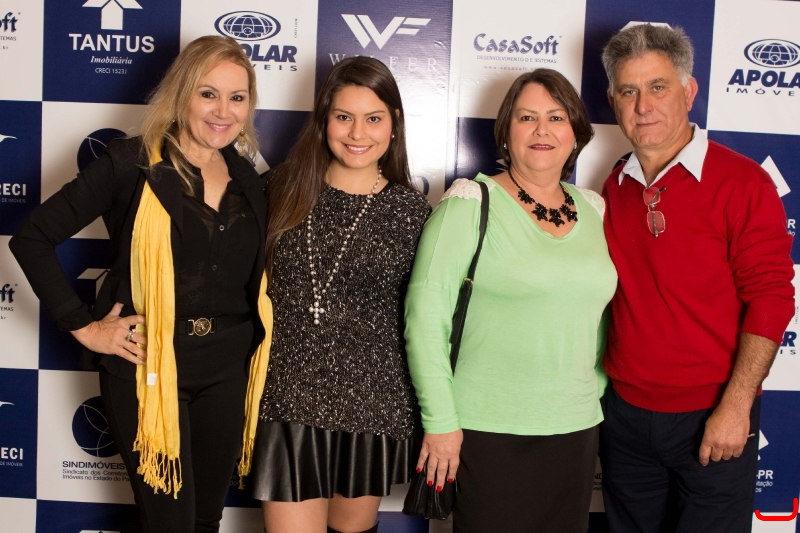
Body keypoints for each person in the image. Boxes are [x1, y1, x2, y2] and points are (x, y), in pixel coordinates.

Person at [9, 36, 271, 533]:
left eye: (237, 97)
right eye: (208, 94)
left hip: (227, 368)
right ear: (181, 94)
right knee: (169, 524)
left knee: (204, 522)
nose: (224, 111)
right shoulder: (130, 163)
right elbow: (32, 238)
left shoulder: (249, 178)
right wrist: (85, 327)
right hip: (148, 365)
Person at [598, 24, 794, 533]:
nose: (644, 106)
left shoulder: (744, 182)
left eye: (658, 87)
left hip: (713, 414)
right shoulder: (614, 184)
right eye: (628, 91)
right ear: (613, 102)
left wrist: (736, 406)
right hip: (623, 415)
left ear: (688, 92)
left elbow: (772, 297)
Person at [404, 68, 617, 533]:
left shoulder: (594, 209)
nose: (542, 130)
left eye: (556, 117)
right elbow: (425, 321)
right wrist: (440, 422)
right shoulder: (469, 203)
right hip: (487, 431)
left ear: (576, 133)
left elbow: (601, 317)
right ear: (506, 131)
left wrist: (592, 386)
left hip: (575, 429)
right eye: (527, 117)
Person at [250, 56, 431, 533]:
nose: (357, 133)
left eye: (373, 118)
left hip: (372, 401)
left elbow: (429, 320)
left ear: (394, 124)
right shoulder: (278, 188)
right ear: (324, 119)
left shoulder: (411, 212)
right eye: (344, 117)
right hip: (286, 399)